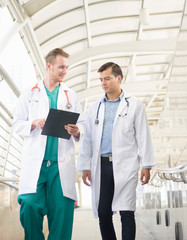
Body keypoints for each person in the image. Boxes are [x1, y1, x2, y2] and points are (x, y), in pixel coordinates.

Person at [77, 62, 155, 240]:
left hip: (126, 165)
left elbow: (143, 135)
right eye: (101, 79)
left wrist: (147, 165)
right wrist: (85, 167)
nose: (103, 83)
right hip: (101, 166)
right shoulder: (94, 108)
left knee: (127, 212)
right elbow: (87, 139)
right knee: (104, 214)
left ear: (118, 79)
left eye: (107, 78)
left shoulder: (135, 105)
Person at [12, 48, 84, 240]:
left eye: (67, 68)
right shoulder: (29, 93)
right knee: (28, 205)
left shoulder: (71, 95)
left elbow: (82, 125)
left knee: (62, 213)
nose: (64, 71)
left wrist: (77, 131)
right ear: (49, 66)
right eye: (61, 67)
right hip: (36, 163)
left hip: (61, 166)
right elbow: (17, 124)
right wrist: (33, 123)